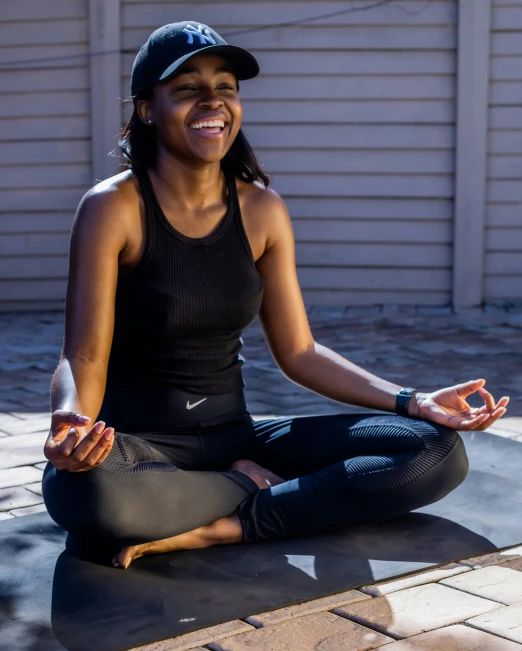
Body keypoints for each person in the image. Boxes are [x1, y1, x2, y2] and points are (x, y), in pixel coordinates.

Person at [42, 22, 509, 570]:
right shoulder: (112, 207)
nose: (213, 101)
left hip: (234, 432)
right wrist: (70, 422)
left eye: (226, 86)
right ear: (147, 109)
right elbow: (85, 354)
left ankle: (228, 524)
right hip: (139, 446)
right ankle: (247, 485)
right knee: (83, 493)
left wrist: (414, 400)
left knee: (431, 451)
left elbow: (301, 352)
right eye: (188, 88)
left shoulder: (262, 210)